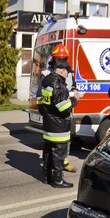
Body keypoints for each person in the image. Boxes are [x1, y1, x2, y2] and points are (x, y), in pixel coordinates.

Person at [38, 60, 80, 188]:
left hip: (48, 124)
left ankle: (47, 177)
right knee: (59, 154)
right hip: (58, 126)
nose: (68, 75)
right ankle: (58, 181)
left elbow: (43, 102)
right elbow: (63, 107)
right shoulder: (58, 84)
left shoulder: (47, 81)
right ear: (62, 71)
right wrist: (75, 99)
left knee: (48, 153)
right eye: (68, 72)